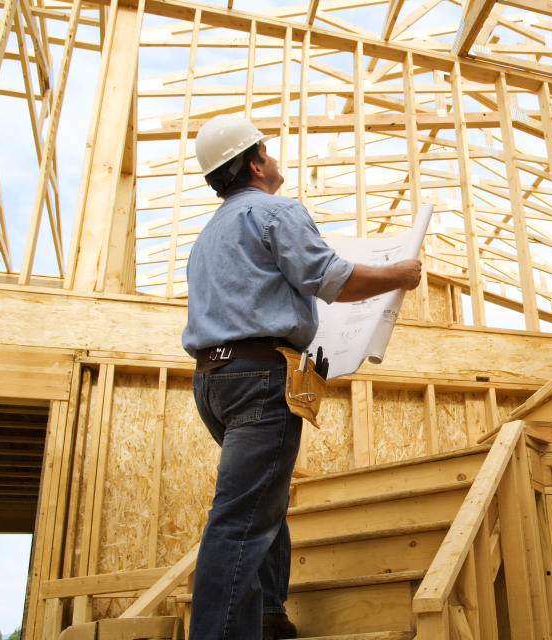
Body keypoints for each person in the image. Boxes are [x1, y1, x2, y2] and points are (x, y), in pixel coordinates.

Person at [181, 114, 422, 640]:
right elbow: (333, 279)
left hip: (213, 382)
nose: (271, 158)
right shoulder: (275, 212)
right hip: (258, 380)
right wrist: (399, 274)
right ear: (253, 162)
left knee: (260, 500)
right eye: (264, 150)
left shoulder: (207, 236)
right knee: (240, 516)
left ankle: (267, 619)